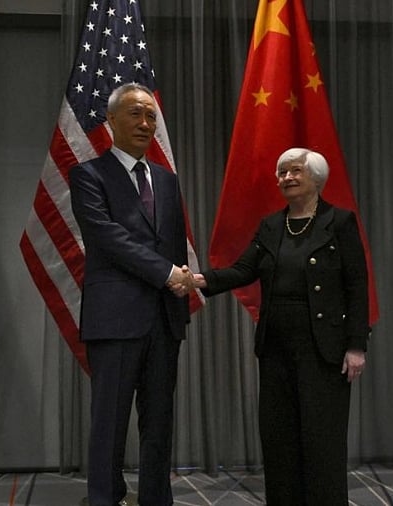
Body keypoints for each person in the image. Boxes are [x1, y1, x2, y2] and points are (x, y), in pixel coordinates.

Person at [191, 147, 369, 505]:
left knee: (322, 439)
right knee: (279, 438)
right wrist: (199, 280)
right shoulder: (271, 225)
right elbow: (243, 270)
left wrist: (356, 345)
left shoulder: (340, 222)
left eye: (295, 171)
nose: (286, 178)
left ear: (316, 177)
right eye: (282, 173)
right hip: (276, 347)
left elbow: (357, 285)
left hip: (324, 349)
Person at [69, 83, 194, 506]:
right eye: (136, 114)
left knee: (159, 423)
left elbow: (173, 243)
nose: (145, 123)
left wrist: (179, 293)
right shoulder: (88, 175)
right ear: (111, 121)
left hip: (164, 319)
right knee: (110, 422)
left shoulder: (167, 180)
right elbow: (106, 238)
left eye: (151, 116)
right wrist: (166, 274)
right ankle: (106, 498)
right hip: (115, 318)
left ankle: (156, 498)